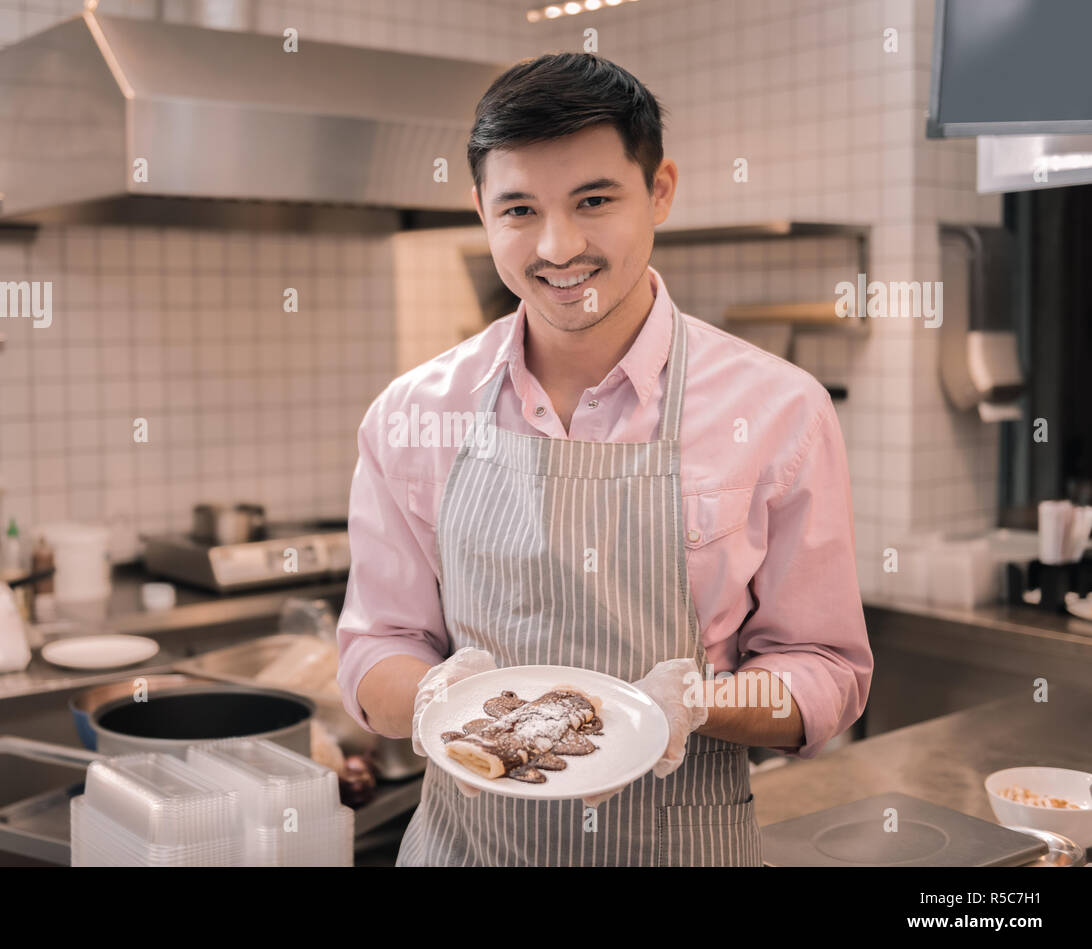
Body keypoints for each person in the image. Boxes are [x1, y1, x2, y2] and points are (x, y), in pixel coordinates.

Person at [336, 52, 872, 866]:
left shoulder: (779, 410)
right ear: (481, 210)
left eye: (594, 200)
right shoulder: (413, 415)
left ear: (659, 192)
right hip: (465, 849)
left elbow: (826, 673)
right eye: (519, 209)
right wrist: (436, 699)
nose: (558, 247)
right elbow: (376, 649)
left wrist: (695, 708)